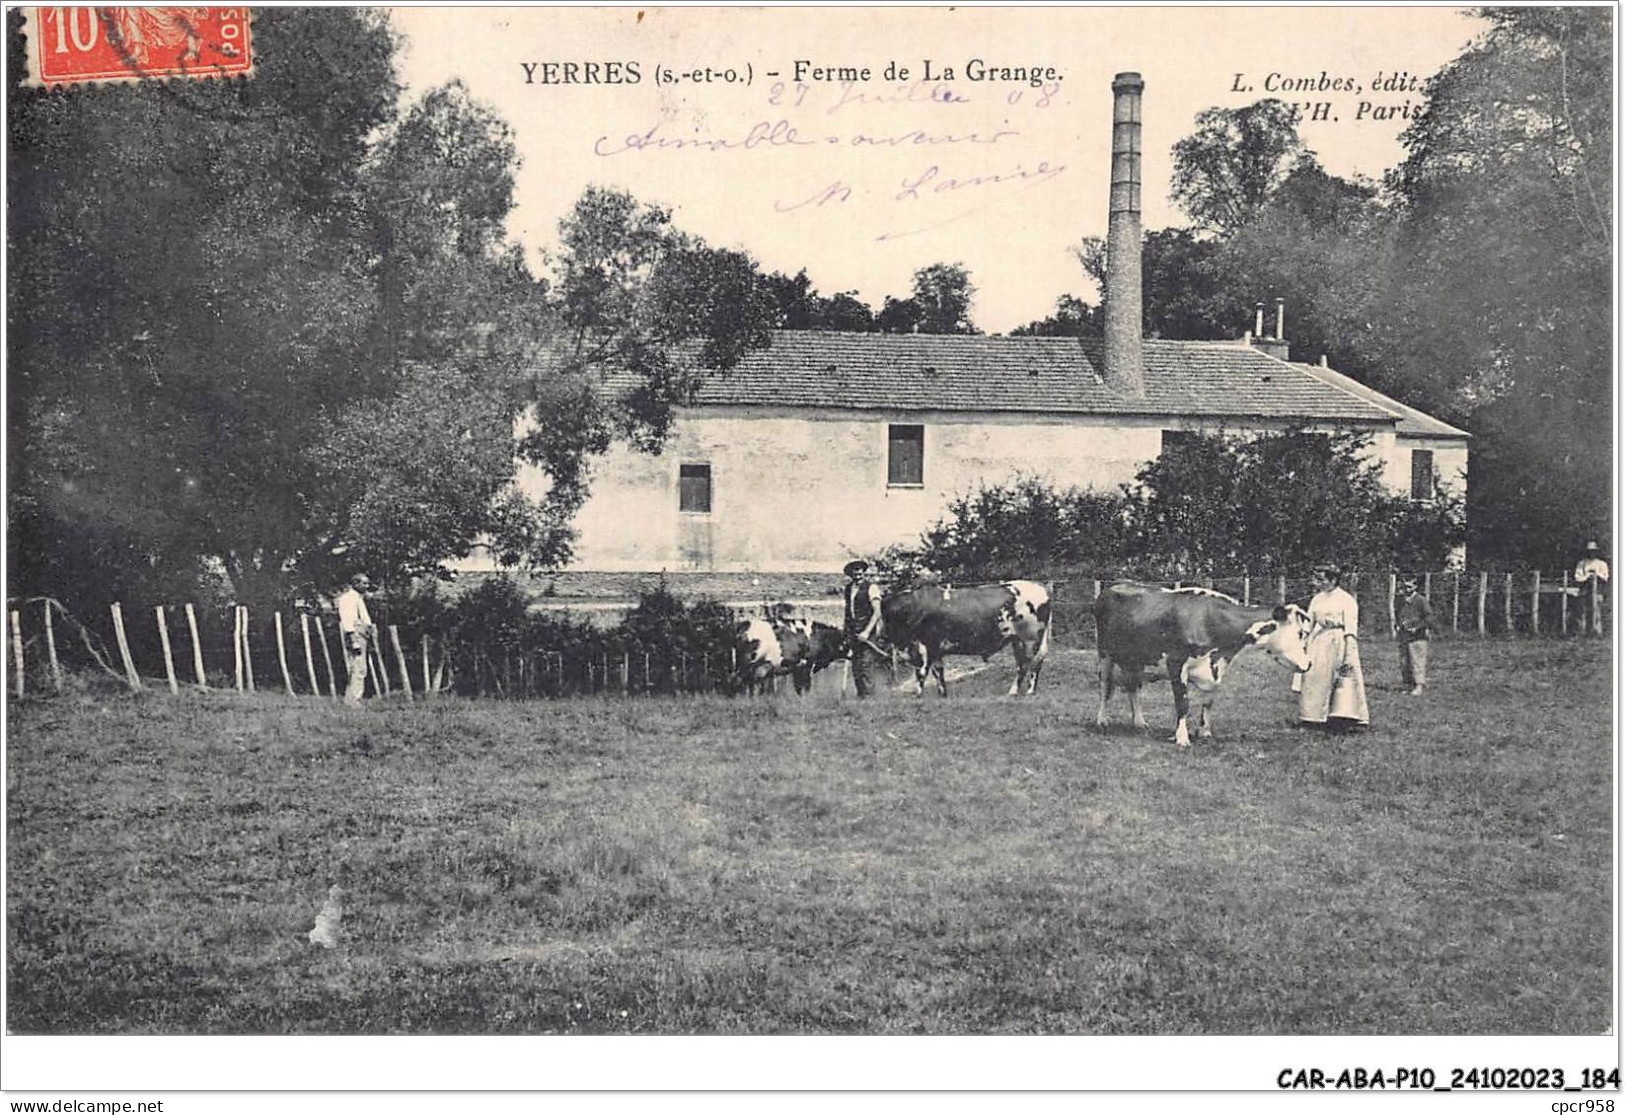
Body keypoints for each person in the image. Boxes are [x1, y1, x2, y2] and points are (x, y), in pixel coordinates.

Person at [1299, 565, 1369, 731]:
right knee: (1314, 678)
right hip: (1319, 642)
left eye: (1321, 579)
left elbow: (1350, 629)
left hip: (1339, 641)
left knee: (1343, 678)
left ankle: (1345, 718)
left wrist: (1348, 654)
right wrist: (1303, 641)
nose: (1318, 582)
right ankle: (1313, 717)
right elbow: (1309, 621)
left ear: (1333, 580)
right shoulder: (1317, 599)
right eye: (1317, 579)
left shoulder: (1346, 600)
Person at [842, 559, 883, 698]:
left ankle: (870, 699)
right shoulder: (848, 589)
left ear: (863, 572)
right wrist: (846, 632)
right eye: (854, 570)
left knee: (866, 665)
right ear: (850, 573)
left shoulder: (872, 588)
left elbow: (877, 612)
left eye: (859, 570)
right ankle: (861, 698)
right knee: (856, 666)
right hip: (853, 632)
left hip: (867, 632)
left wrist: (866, 632)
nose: (857, 573)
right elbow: (848, 612)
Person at [334, 572, 375, 706]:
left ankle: (351, 699)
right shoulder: (348, 599)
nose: (367, 586)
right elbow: (347, 620)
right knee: (357, 668)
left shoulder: (358, 598)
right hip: (355, 634)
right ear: (355, 583)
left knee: (361, 668)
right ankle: (354, 700)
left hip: (363, 634)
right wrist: (354, 640)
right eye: (364, 583)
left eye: (367, 583)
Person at [1394, 576, 1432, 695]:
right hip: (1404, 635)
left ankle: (1419, 685)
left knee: (1417, 661)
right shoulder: (1401, 601)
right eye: (1405, 587)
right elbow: (1398, 615)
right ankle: (1409, 685)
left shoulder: (1420, 600)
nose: (1406, 589)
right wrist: (1398, 625)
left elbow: (1429, 617)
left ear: (1415, 587)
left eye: (1409, 587)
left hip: (1418, 636)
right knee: (1405, 661)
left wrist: (1417, 627)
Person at [1572, 541, 1609, 635]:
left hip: (1597, 591)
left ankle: (1597, 632)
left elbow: (1605, 577)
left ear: (1596, 552)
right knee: (1582, 611)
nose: (1591, 553)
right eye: (1589, 551)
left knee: (1596, 611)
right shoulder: (1582, 563)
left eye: (1593, 551)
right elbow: (1578, 577)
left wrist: (1596, 575)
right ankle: (1582, 631)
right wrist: (1587, 577)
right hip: (1584, 590)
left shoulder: (1602, 564)